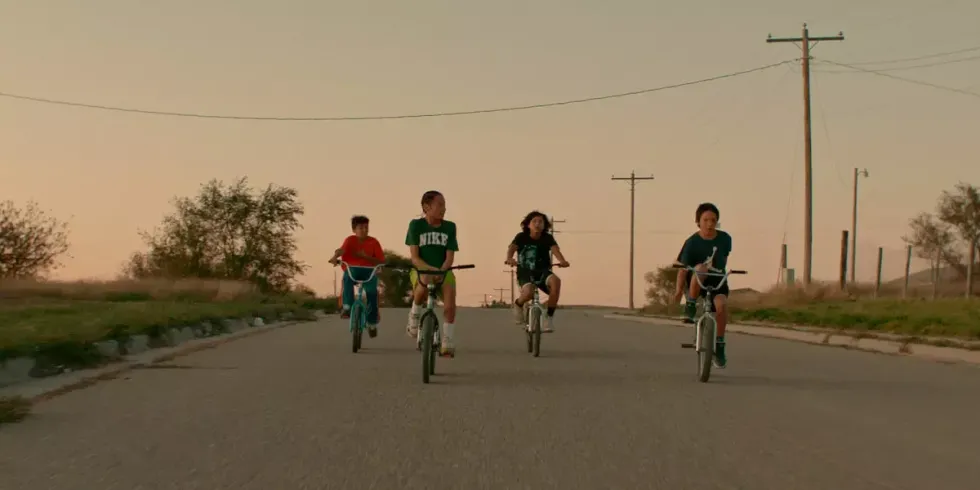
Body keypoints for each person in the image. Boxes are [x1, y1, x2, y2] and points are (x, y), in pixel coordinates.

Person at [673, 202, 732, 368]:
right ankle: (691, 305)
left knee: (721, 307)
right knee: (700, 268)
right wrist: (678, 291)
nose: (710, 224)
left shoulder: (725, 239)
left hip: (717, 280)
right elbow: (683, 269)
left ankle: (719, 345)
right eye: (706, 220)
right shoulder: (692, 242)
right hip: (696, 282)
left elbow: (723, 260)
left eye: (713, 220)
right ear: (698, 221)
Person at [405, 190, 461, 357]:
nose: (444, 209)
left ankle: (447, 340)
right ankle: (414, 314)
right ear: (426, 207)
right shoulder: (416, 225)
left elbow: (450, 256)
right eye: (440, 205)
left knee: (450, 305)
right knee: (424, 280)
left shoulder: (450, 227)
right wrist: (431, 269)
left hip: (444, 270)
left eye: (444, 205)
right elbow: (415, 257)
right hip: (421, 269)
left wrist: (442, 270)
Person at [504, 211, 569, 333]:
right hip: (525, 271)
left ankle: (548, 318)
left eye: (540, 222)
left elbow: (555, 250)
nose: (537, 224)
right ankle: (518, 304)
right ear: (528, 225)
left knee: (556, 282)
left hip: (543, 271)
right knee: (528, 293)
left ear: (545, 225)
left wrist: (562, 261)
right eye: (534, 221)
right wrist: (509, 258)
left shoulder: (547, 238)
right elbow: (511, 249)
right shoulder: (521, 237)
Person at [328, 215, 386, 338]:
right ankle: (347, 306)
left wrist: (366, 257)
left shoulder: (373, 242)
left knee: (372, 294)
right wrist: (335, 257)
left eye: (366, 227)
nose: (364, 230)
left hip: (369, 272)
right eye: (361, 228)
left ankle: (371, 323)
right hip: (352, 270)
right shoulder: (350, 240)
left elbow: (381, 261)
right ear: (354, 230)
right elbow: (341, 251)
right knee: (347, 278)